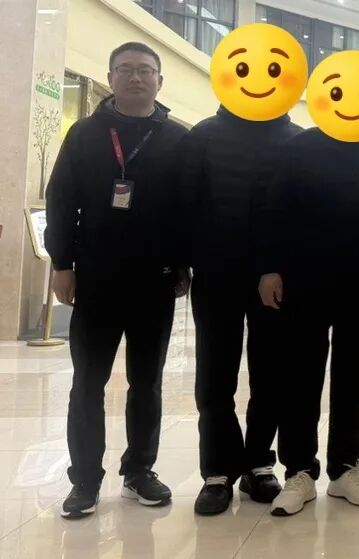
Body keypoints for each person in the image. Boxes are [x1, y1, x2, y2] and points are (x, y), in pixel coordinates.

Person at [45, 42, 188, 519]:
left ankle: (139, 470)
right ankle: (84, 480)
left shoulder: (178, 138)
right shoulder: (85, 134)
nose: (135, 77)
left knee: (147, 382)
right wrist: (62, 263)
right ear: (110, 78)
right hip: (96, 278)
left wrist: (183, 264)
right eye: (125, 70)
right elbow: (61, 199)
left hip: (154, 281)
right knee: (88, 382)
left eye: (145, 70)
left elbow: (188, 207)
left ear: (160, 81)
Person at [257, 128, 359, 516]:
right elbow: (274, 210)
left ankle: (345, 467)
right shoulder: (299, 146)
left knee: (354, 376)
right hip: (303, 280)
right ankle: (299, 471)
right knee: (300, 376)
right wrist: (270, 268)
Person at [179, 98, 303, 516]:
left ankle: (258, 464)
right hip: (216, 274)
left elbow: (299, 213)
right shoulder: (203, 136)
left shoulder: (296, 140)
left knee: (270, 375)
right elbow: (183, 204)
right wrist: (182, 261)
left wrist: (283, 266)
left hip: (276, 278)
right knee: (215, 374)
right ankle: (217, 472)